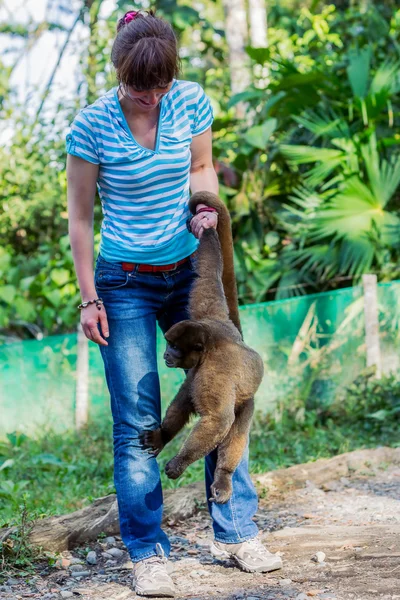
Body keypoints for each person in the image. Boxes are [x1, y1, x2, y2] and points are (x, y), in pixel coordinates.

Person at [66, 8, 282, 598]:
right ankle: (148, 551)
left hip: (192, 270)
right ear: (120, 74)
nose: (154, 99)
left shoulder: (189, 101)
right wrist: (89, 298)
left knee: (225, 396)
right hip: (126, 282)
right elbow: (80, 219)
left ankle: (235, 534)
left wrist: (205, 203)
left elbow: (202, 166)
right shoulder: (91, 124)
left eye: (163, 87)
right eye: (142, 89)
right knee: (140, 417)